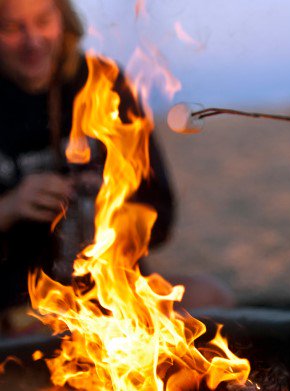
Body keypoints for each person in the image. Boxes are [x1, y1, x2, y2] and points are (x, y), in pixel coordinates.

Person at [0, 0, 175, 311]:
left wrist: (112, 202)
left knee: (213, 298)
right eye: (11, 28)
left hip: (111, 294)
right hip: (17, 304)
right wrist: (10, 206)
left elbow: (161, 214)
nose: (33, 42)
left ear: (63, 19)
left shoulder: (103, 83)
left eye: (43, 21)